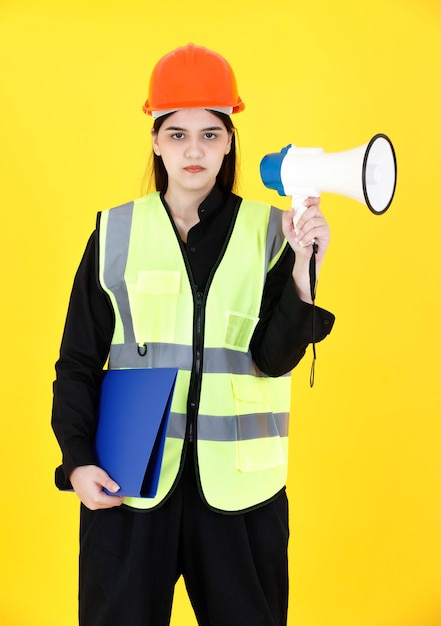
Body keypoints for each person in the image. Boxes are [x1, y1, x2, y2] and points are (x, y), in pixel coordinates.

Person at [52, 43, 335, 626]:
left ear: (230, 140)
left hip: (240, 498)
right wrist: (77, 461)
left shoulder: (272, 232)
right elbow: (77, 361)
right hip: (130, 484)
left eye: (210, 133)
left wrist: (307, 275)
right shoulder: (115, 231)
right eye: (177, 133)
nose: (194, 150)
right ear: (155, 139)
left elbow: (274, 359)